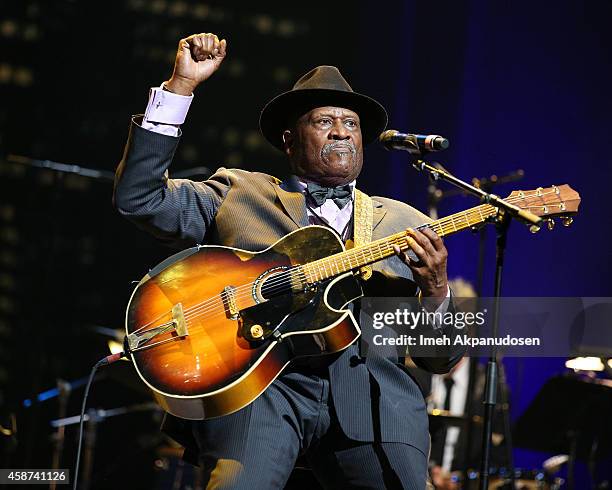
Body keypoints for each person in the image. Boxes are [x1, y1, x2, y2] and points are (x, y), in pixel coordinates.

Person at [114, 32, 465, 489]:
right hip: (261, 392)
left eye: (351, 123)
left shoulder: (405, 222)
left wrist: (435, 291)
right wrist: (180, 87)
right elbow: (140, 199)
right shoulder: (241, 194)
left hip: (375, 407)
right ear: (289, 138)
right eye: (324, 121)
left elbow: (439, 360)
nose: (341, 131)